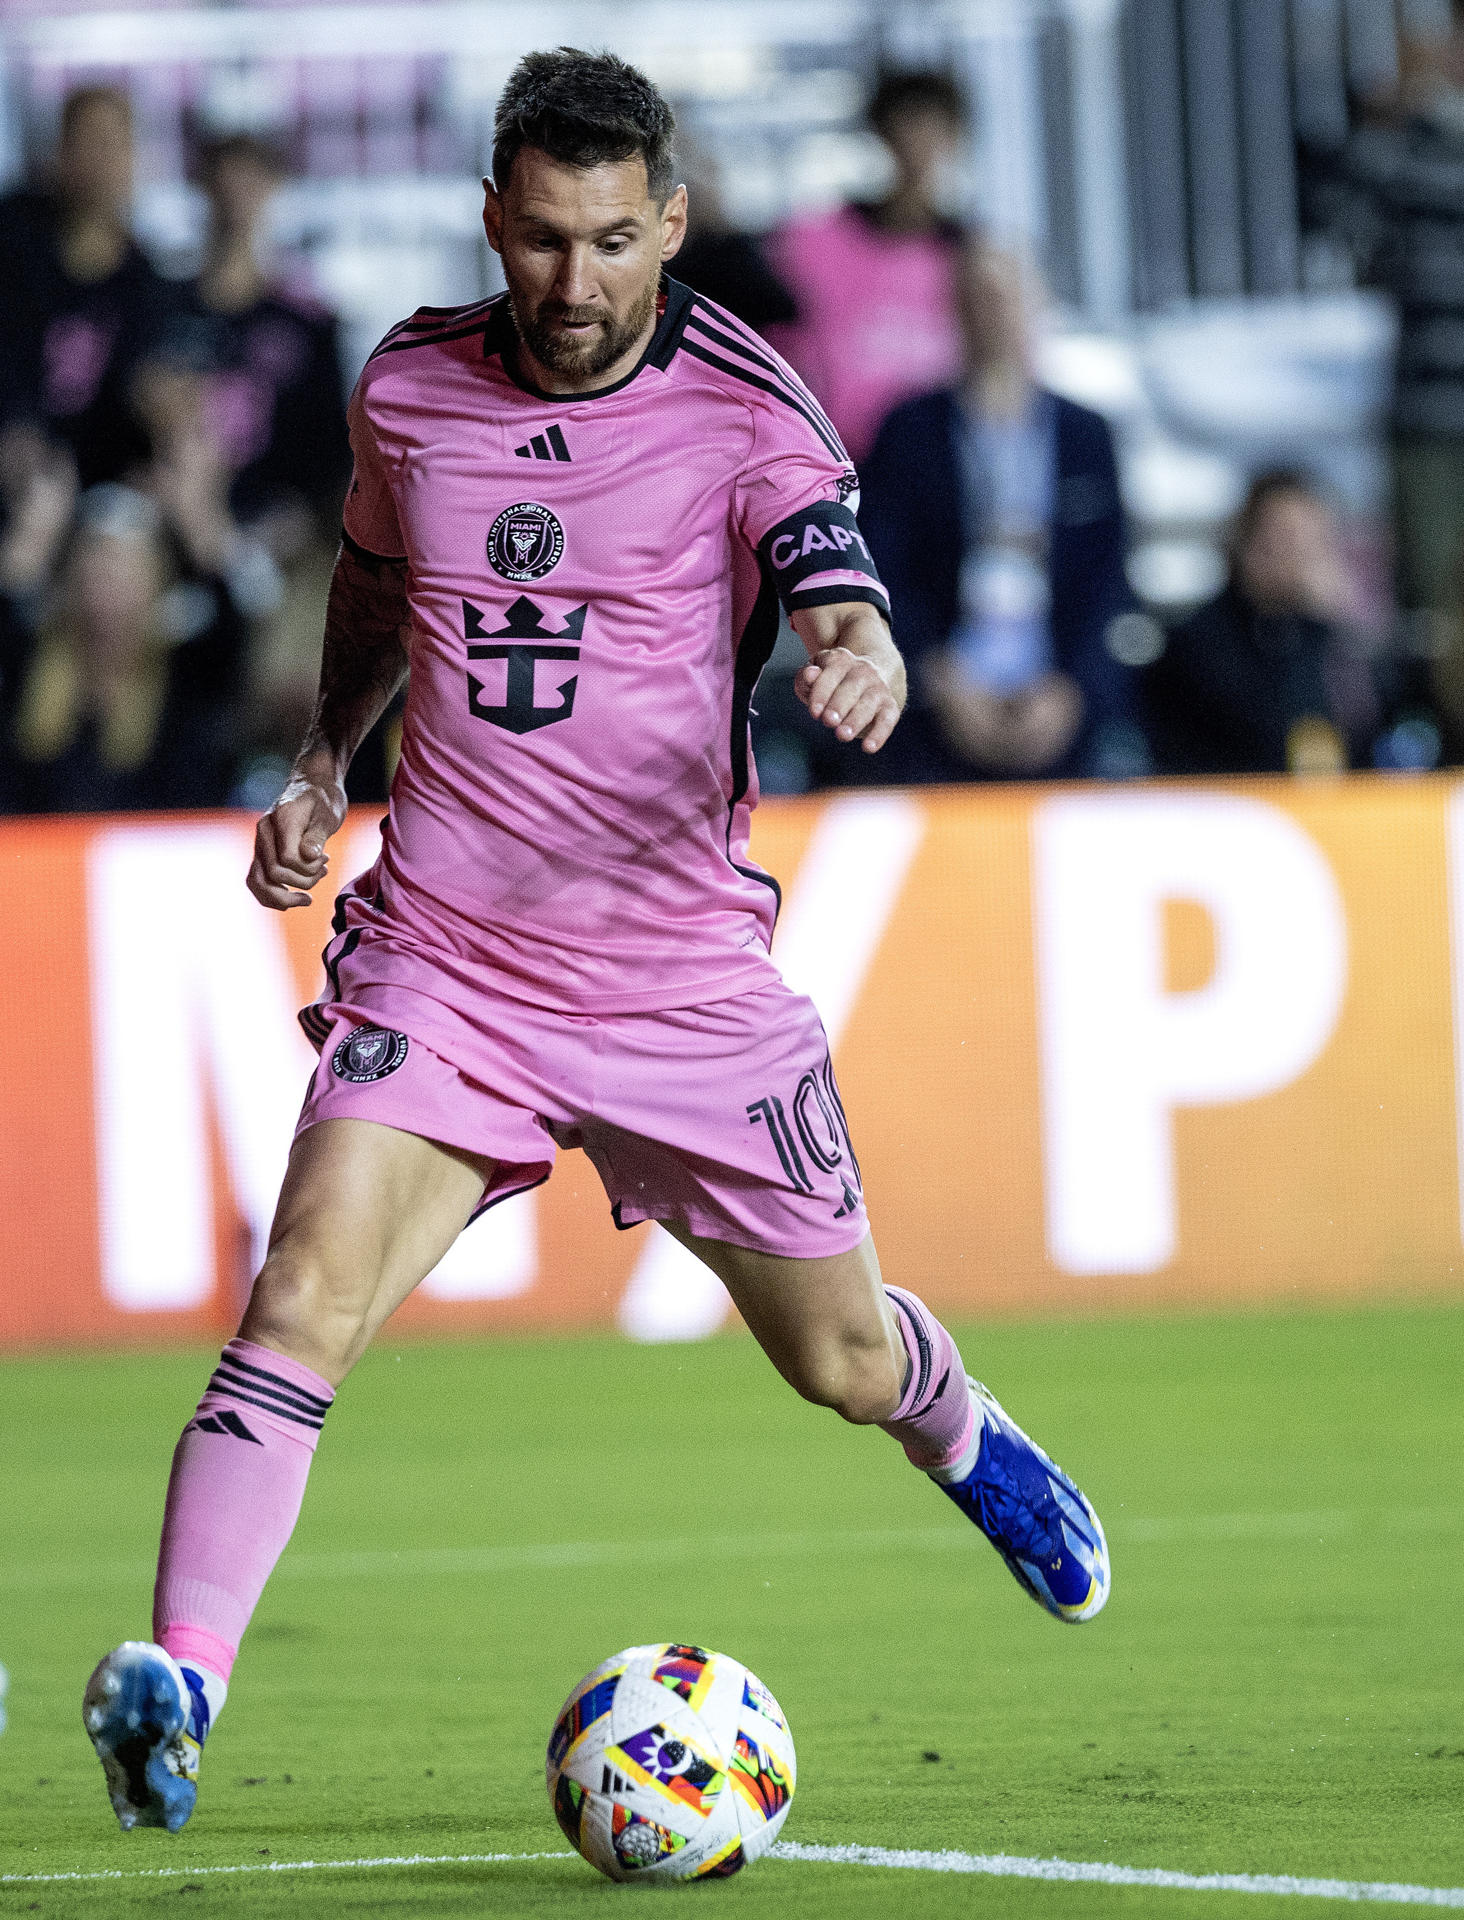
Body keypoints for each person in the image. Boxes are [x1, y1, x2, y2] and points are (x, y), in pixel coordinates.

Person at [81, 49, 1109, 1843]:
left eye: (614, 242)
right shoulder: (406, 380)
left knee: (837, 1364)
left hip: (678, 986)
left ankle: (955, 1426)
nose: (575, 285)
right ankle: (183, 1676)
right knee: (300, 1295)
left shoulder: (746, 399)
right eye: (544, 241)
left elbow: (826, 578)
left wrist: (851, 649)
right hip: (449, 962)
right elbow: (381, 581)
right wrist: (328, 756)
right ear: (495, 218)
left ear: (672, 224)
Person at [859, 242, 1140, 783]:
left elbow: (1108, 574)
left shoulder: (1086, 435)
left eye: (1009, 299)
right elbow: (881, 565)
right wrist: (934, 677)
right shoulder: (909, 432)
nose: (996, 315)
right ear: (956, 312)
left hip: (1057, 698)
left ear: (1036, 307)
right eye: (980, 300)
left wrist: (1070, 689)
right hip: (940, 697)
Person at [766, 68, 969, 464]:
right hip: (837, 457)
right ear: (881, 133)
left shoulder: (970, 256)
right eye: (907, 124)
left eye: (933, 127)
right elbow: (778, 340)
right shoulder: (815, 241)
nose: (919, 143)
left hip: (940, 463)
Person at [1143, 469, 1379, 776]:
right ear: (1248, 546)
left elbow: (1368, 733)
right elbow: (1267, 737)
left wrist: (1346, 624)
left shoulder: (1328, 636)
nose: (1305, 554)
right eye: (1289, 538)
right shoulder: (1198, 642)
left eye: (1316, 538)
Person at [0, 86, 176, 490]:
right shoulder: (13, 241)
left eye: (112, 144)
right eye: (86, 141)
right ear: (60, 153)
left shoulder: (142, 281)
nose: (99, 160)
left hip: (97, 488)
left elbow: (140, 391)